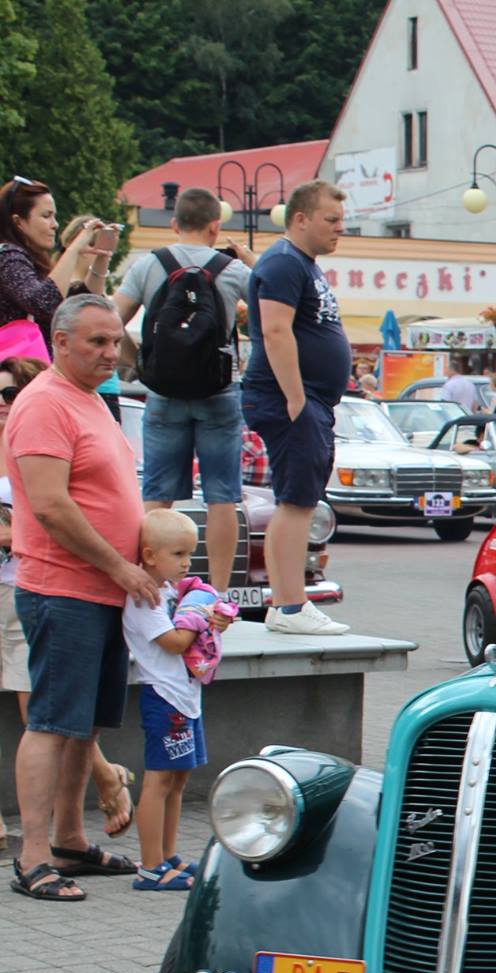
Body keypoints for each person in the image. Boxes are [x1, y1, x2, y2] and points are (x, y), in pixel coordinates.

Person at [4, 295, 164, 900]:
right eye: (96, 341)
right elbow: (50, 505)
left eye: (115, 341)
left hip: (103, 590)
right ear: (61, 342)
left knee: (82, 727)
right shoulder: (45, 402)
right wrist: (119, 566)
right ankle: (33, 858)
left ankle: (70, 840)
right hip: (63, 588)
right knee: (50, 722)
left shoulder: (89, 398)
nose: (110, 352)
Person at [113, 187, 254, 596]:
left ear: (175, 224)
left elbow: (111, 319)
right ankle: (219, 595)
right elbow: (277, 306)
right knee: (222, 498)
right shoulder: (232, 270)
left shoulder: (149, 265)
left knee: (156, 497)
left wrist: (138, 362)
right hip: (219, 392)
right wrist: (250, 261)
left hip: (164, 392)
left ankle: (147, 587)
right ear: (215, 226)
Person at [242, 180, 352, 635]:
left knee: (298, 500)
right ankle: (290, 607)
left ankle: (286, 605)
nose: (339, 228)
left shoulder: (295, 263)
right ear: (301, 219)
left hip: (308, 398)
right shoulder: (286, 262)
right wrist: (295, 398)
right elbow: (275, 330)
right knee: (296, 501)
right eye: (331, 219)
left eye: (342, 220)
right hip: (291, 397)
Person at [122, 509, 232, 890]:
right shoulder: (144, 599)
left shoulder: (171, 591)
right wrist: (202, 619)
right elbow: (174, 642)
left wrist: (215, 619)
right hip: (163, 696)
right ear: (150, 556)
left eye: (190, 554)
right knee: (159, 779)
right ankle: (150, 866)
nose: (187, 563)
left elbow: (196, 624)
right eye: (178, 554)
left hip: (185, 696)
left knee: (179, 779)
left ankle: (168, 855)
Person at [0, 179, 112, 357]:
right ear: (18, 222)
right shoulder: (8, 256)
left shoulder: (30, 260)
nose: (55, 224)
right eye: (46, 216)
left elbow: (82, 304)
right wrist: (74, 249)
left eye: (54, 216)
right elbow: (43, 304)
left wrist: (102, 256)